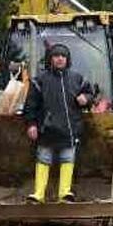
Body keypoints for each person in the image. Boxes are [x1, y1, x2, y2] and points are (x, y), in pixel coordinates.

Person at [23, 43, 93, 203]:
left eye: (63, 56)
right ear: (50, 59)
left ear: (68, 59)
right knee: (43, 158)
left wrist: (86, 99)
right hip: (46, 130)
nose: (60, 59)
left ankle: (65, 193)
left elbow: (90, 94)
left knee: (68, 158)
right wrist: (31, 124)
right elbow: (30, 105)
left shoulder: (77, 79)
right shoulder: (39, 80)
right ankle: (38, 194)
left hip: (69, 130)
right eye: (56, 56)